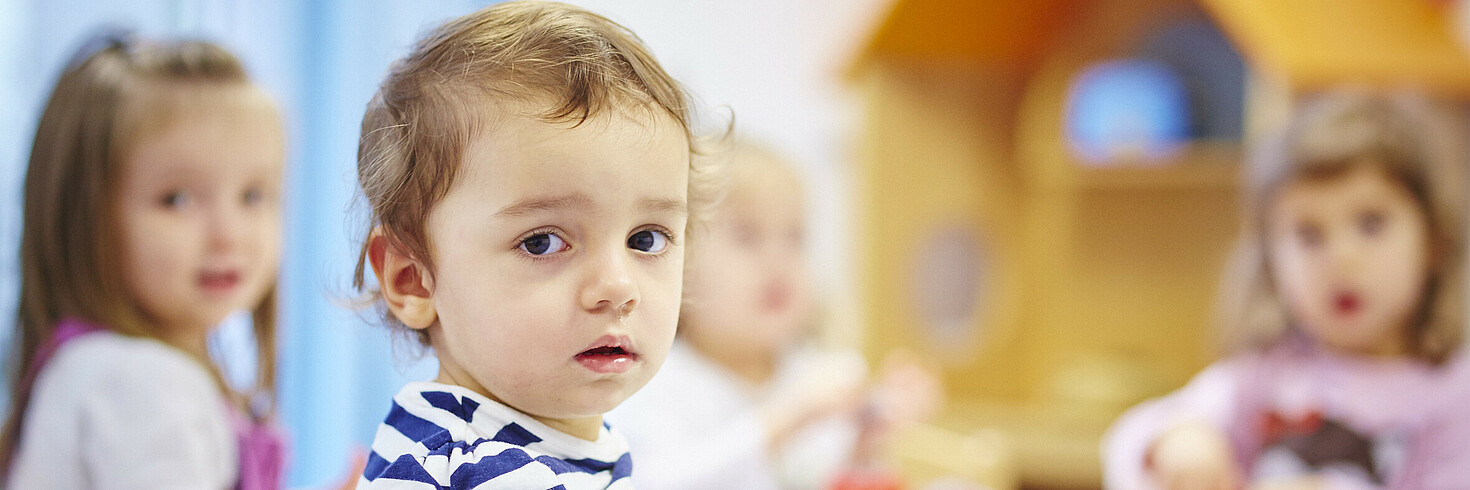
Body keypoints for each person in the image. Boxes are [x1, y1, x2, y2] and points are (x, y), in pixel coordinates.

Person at [352, 1, 716, 487]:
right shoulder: (484, 471)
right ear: (414, 280)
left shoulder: (529, 445)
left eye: (645, 239)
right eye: (543, 243)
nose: (617, 287)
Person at [1103, 91, 1470, 489]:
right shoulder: (1264, 373)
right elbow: (1128, 440)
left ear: (1434, 242)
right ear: (1271, 264)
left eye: (1371, 223)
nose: (1342, 259)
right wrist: (1177, 441)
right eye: (1309, 235)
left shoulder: (1452, 394)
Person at [1, 30, 287, 488]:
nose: (228, 235)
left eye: (253, 195)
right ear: (84, 215)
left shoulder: (101, 366)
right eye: (176, 199)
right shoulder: (141, 383)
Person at [608, 141, 939, 490]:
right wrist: (783, 422)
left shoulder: (821, 375)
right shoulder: (658, 383)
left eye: (794, 237)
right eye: (747, 237)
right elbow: (652, 482)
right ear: (678, 264)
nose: (777, 259)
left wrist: (868, 446)